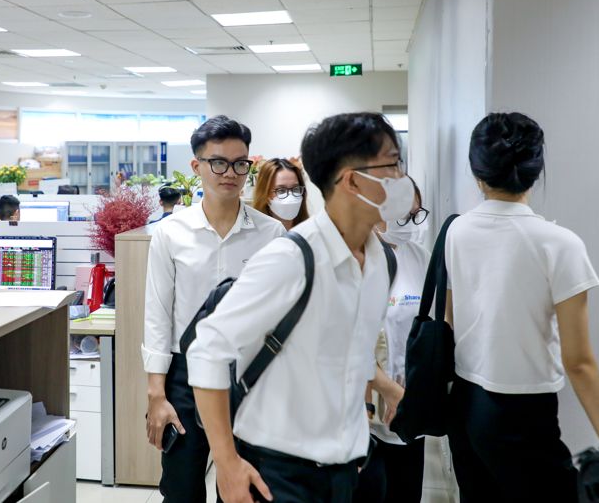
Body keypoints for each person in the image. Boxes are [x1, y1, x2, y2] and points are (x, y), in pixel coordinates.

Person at [187, 112, 413, 503]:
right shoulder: (291, 258)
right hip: (279, 474)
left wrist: (380, 398)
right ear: (352, 181)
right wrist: (225, 463)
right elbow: (206, 350)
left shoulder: (381, 263)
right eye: (391, 165)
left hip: (348, 468)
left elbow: (353, 352)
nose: (401, 178)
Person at [445, 112, 599, 502]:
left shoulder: (457, 230)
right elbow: (578, 361)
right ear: (535, 170)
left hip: (466, 403)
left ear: (477, 172)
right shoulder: (559, 244)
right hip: (523, 411)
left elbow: (452, 318)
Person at [142, 115, 285, 503]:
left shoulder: (272, 233)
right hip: (184, 375)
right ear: (197, 166)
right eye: (218, 163)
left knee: (242, 489)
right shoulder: (170, 232)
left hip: (248, 374)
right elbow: (157, 315)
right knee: (181, 489)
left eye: (240, 164)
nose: (230, 173)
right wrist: (157, 394)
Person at [354, 176, 431, 503]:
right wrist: (386, 390)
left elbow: (427, 331)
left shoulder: (420, 257)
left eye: (415, 215)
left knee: (406, 491)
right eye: (403, 215)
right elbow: (349, 342)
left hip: (409, 405)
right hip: (366, 407)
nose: (410, 223)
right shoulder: (357, 259)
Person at [252, 158, 310, 230]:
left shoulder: (310, 231)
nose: (290, 196)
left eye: (296, 189)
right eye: (281, 190)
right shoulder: (254, 234)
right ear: (265, 193)